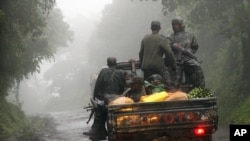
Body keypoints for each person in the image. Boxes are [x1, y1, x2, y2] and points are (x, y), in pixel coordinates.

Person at [83, 57, 126, 141]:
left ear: (107, 64)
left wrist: (95, 97)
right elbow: (122, 87)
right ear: (116, 63)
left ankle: (97, 134)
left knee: (99, 117)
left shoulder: (103, 72)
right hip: (116, 99)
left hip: (103, 99)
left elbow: (98, 85)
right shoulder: (121, 73)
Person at [168, 18, 205, 89]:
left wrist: (190, 52)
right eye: (173, 24)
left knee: (197, 67)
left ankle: (201, 89)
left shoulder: (190, 35)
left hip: (188, 59)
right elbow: (168, 47)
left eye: (176, 24)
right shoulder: (170, 37)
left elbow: (195, 46)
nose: (174, 26)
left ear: (181, 24)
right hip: (176, 61)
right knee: (175, 82)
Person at [139, 20, 176, 91]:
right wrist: (172, 64)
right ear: (159, 28)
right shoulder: (162, 39)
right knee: (168, 85)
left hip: (146, 69)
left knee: (147, 87)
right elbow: (169, 52)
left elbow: (141, 53)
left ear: (151, 28)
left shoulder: (145, 38)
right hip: (159, 68)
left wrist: (142, 65)